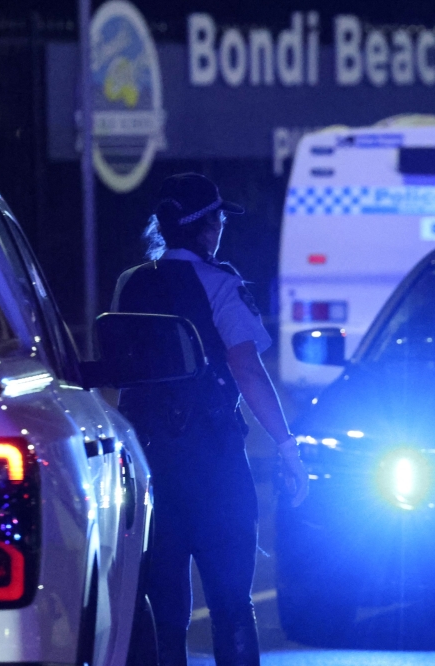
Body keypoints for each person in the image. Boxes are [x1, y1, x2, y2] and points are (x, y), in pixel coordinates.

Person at [112, 173, 309, 666]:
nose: (221, 228)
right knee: (230, 604)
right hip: (214, 464)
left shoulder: (129, 284)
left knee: (162, 607)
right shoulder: (221, 283)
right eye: (219, 219)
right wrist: (287, 447)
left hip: (149, 462)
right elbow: (246, 368)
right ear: (207, 227)